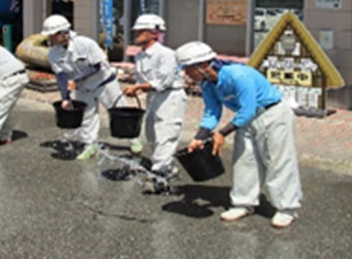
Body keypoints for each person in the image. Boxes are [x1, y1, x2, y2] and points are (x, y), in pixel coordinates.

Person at [179, 41, 302, 228]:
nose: (186, 73)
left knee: (278, 160)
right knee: (244, 159)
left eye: (188, 68)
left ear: (203, 65)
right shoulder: (207, 83)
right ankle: (243, 203)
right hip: (246, 119)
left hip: (273, 114)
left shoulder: (238, 75)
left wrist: (222, 133)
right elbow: (212, 111)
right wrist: (200, 136)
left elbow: (248, 108)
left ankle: (287, 208)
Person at [44, 14, 140, 160]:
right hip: (83, 88)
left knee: (119, 111)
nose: (50, 38)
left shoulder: (85, 44)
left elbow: (97, 66)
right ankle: (90, 145)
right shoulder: (54, 53)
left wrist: (76, 79)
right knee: (87, 117)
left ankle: (133, 139)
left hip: (104, 83)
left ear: (64, 32)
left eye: (52, 35)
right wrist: (65, 97)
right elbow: (61, 77)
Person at [122, 14, 186, 194]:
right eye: (137, 31)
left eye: (142, 31)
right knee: (152, 133)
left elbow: (162, 82)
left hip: (170, 97)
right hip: (154, 97)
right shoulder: (140, 56)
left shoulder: (166, 54)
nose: (137, 34)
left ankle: (159, 175)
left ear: (154, 33)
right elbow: (144, 81)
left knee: (166, 134)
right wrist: (138, 88)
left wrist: (138, 87)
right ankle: (168, 167)